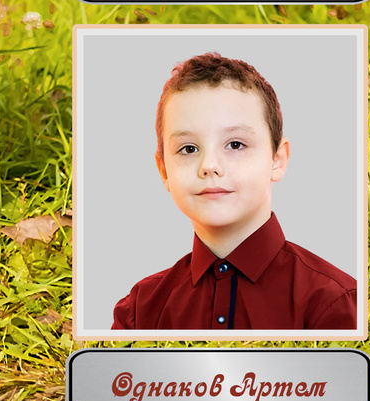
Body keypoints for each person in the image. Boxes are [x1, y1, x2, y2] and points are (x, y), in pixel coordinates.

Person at [111, 51, 357, 331]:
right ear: (164, 170)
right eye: (189, 149)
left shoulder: (334, 301)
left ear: (277, 160)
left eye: (235, 144)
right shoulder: (139, 311)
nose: (209, 166)